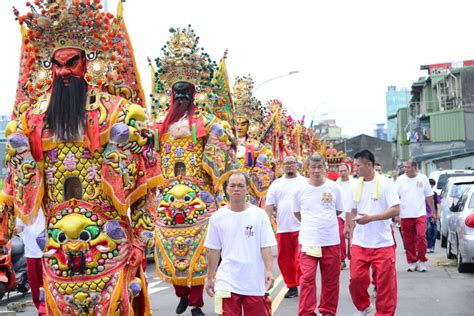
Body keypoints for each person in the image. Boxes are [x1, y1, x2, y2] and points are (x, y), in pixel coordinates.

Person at [2, 2, 160, 314]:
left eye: (71, 63)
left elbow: (145, 182)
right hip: (57, 246)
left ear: (87, 63)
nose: (62, 71)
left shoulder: (117, 113)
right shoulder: (32, 120)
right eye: (56, 64)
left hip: (109, 242)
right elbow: (11, 187)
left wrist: (141, 241)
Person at [151, 27, 237, 316]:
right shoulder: (158, 126)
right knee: (171, 248)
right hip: (165, 198)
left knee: (197, 249)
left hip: (198, 197)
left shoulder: (206, 122)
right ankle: (182, 293)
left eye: (187, 92)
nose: (182, 96)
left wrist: (220, 136)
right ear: (170, 94)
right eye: (177, 92)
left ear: (194, 94)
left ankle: (197, 301)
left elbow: (221, 151)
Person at [204, 172, 276, 315]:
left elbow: (265, 246)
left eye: (240, 186)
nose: (236, 189)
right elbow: (214, 250)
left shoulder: (259, 215)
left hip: (254, 280)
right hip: (227, 279)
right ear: (227, 189)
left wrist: (269, 270)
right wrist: (210, 277)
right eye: (233, 186)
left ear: (247, 189)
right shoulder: (217, 217)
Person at [348, 150, 400, 315]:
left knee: (386, 285)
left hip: (382, 242)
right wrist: (349, 231)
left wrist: (371, 218)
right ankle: (364, 307)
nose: (354, 169)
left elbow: (395, 209)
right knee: (356, 280)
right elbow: (352, 210)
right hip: (360, 242)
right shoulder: (355, 184)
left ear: (369, 165)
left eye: (357, 165)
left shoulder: (386, 184)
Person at [293, 154, 344, 316]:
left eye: (319, 167)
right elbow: (297, 212)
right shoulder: (300, 189)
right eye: (313, 167)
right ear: (307, 169)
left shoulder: (334, 187)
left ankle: (328, 311)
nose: (316, 171)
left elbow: (338, 210)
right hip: (309, 241)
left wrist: (323, 223)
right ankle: (307, 312)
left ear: (325, 168)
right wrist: (311, 224)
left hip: (330, 240)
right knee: (307, 278)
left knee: (330, 280)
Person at [265, 155, 306, 299]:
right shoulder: (276, 184)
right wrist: (265, 224)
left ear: (297, 165)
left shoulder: (305, 182)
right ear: (282, 166)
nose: (289, 165)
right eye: (286, 163)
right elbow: (269, 205)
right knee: (285, 260)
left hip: (302, 227)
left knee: (301, 258)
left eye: (292, 163)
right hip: (283, 227)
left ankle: (304, 282)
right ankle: (292, 286)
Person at [232, 76, 275, 206]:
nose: (239, 127)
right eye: (236, 124)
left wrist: (261, 164)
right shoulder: (226, 143)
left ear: (249, 126)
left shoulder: (256, 146)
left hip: (248, 189)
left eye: (243, 124)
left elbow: (266, 167)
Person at [395, 160, 435, 272]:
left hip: (420, 213)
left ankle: (422, 260)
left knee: (421, 236)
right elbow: (395, 197)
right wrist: (397, 214)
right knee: (408, 240)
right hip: (405, 214)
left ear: (414, 168)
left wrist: (433, 212)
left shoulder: (423, 178)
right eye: (404, 167)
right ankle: (412, 261)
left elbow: (429, 196)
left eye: (408, 167)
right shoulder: (400, 180)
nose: (405, 169)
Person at [14, 209, 46, 315]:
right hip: (31, 253)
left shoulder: (51, 199)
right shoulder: (23, 205)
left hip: (49, 253)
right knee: (36, 289)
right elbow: (19, 227)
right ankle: (41, 310)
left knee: (47, 286)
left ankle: (44, 311)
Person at [336, 164, 353, 270]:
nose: (342, 172)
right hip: (340, 214)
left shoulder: (355, 183)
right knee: (340, 236)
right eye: (340, 171)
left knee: (352, 237)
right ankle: (341, 259)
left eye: (344, 170)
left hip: (352, 214)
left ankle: (353, 257)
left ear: (349, 171)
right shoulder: (335, 185)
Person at [426, 179, 441, 253]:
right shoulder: (422, 194)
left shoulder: (434, 194)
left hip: (432, 214)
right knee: (427, 230)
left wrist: (438, 213)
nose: (430, 186)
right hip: (424, 215)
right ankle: (428, 246)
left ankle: (432, 246)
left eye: (432, 185)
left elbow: (438, 204)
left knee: (433, 231)